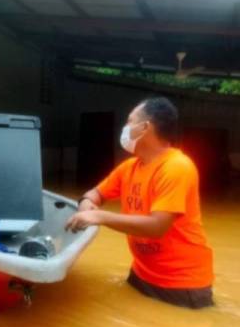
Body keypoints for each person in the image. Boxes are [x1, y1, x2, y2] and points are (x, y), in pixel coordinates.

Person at [65, 96, 214, 309]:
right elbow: (94, 194)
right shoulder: (130, 167)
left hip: (183, 285)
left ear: (145, 127)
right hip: (140, 274)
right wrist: (87, 204)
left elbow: (157, 227)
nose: (125, 127)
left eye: (129, 121)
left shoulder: (177, 167)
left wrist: (98, 216)